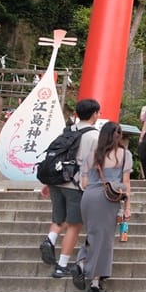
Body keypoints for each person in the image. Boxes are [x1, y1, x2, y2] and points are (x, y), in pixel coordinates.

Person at [40, 98, 101, 278]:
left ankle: (50, 240)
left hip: (56, 181)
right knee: (74, 225)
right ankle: (61, 265)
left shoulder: (67, 131)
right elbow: (96, 164)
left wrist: (47, 182)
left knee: (59, 218)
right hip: (75, 184)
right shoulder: (94, 136)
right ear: (95, 114)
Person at [76, 121, 132, 292]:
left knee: (94, 235)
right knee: (104, 240)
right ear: (119, 136)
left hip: (88, 198)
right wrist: (127, 207)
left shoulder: (91, 155)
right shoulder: (124, 154)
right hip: (107, 199)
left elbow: (84, 183)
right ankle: (86, 268)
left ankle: (92, 276)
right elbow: (126, 183)